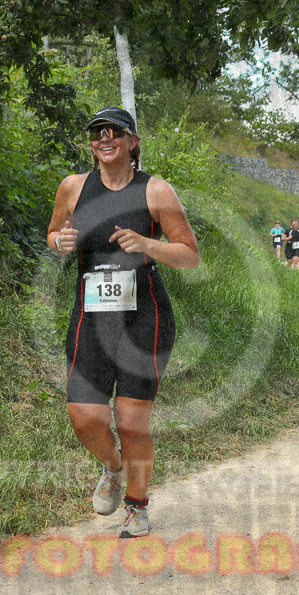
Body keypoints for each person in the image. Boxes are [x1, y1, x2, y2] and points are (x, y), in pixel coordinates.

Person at [47, 107, 200, 538]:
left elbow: (189, 254)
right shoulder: (73, 187)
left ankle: (137, 506)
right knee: (84, 417)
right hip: (91, 316)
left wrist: (147, 244)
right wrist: (62, 241)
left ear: (133, 141)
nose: (105, 138)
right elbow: (53, 235)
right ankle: (113, 468)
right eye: (97, 133)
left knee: (132, 421)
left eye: (115, 132)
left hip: (144, 317)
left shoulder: (156, 191)